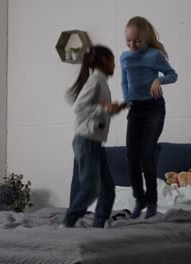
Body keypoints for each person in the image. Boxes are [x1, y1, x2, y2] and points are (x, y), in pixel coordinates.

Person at [120, 16, 178, 219]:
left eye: (137, 41)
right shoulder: (124, 58)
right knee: (130, 155)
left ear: (145, 38)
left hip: (154, 109)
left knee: (147, 154)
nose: (132, 45)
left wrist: (158, 80)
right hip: (135, 109)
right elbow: (124, 82)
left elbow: (173, 75)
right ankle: (140, 198)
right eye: (128, 41)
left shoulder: (154, 55)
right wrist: (127, 100)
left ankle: (152, 202)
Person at [63, 45, 125, 228]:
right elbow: (79, 108)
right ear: (105, 61)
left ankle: (98, 227)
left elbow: (96, 113)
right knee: (91, 189)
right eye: (113, 61)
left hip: (94, 143)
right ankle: (68, 221)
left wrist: (113, 109)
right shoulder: (95, 81)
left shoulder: (101, 82)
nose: (115, 66)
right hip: (86, 141)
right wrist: (106, 108)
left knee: (107, 190)